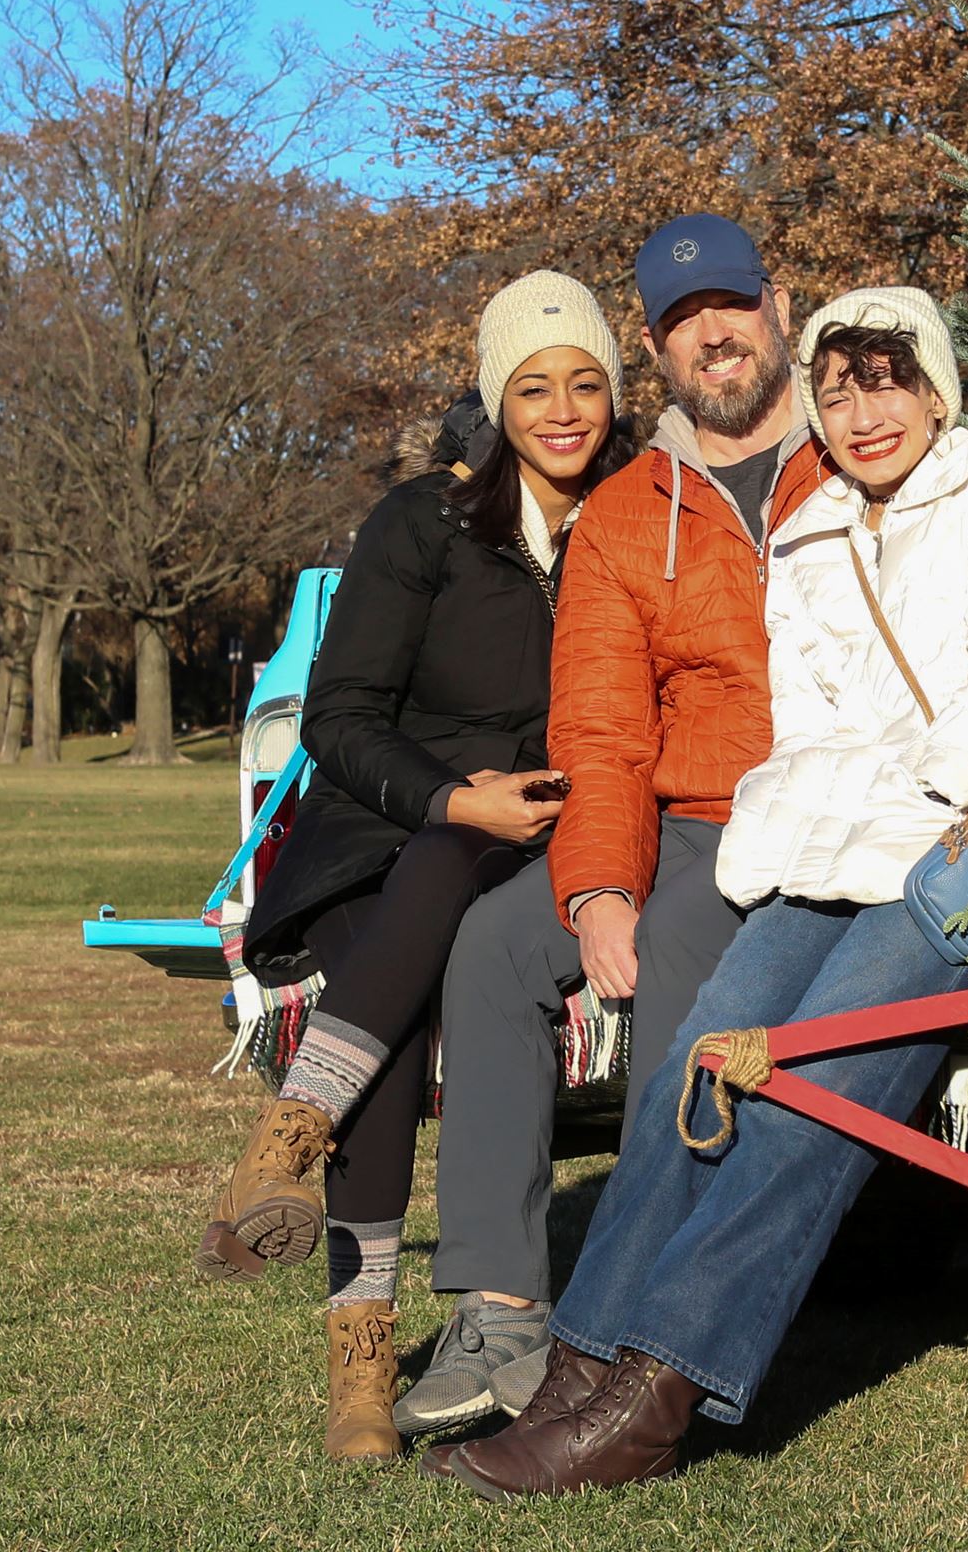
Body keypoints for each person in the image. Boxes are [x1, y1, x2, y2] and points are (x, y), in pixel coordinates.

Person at [429, 288, 968, 1498]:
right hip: (828, 846)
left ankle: (653, 1395)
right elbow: (807, 723)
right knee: (696, 1068)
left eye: (887, 379)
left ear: (935, 385)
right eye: (837, 388)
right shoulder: (813, 528)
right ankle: (581, 1362)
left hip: (964, 842)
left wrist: (924, 797)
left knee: (811, 1097)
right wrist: (787, 828)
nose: (862, 409)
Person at [395, 214, 828, 1436]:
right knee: (492, 944)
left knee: (682, 954)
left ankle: (643, 1323)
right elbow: (597, 727)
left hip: (816, 817)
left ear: (778, 309)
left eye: (731, 307)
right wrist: (594, 887)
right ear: (658, 345)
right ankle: (501, 1313)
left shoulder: (855, 454)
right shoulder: (630, 514)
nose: (714, 337)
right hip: (683, 812)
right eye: (685, 322)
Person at [196, 272, 633, 1463]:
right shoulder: (424, 520)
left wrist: (514, 807)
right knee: (408, 921)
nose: (561, 409)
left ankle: (290, 1136)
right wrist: (450, 795)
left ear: (612, 393)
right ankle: (359, 1364)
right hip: (378, 831)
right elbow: (335, 715)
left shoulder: (639, 514)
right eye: (533, 386)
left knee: (413, 935)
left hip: (535, 841)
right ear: (496, 401)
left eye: (584, 383)